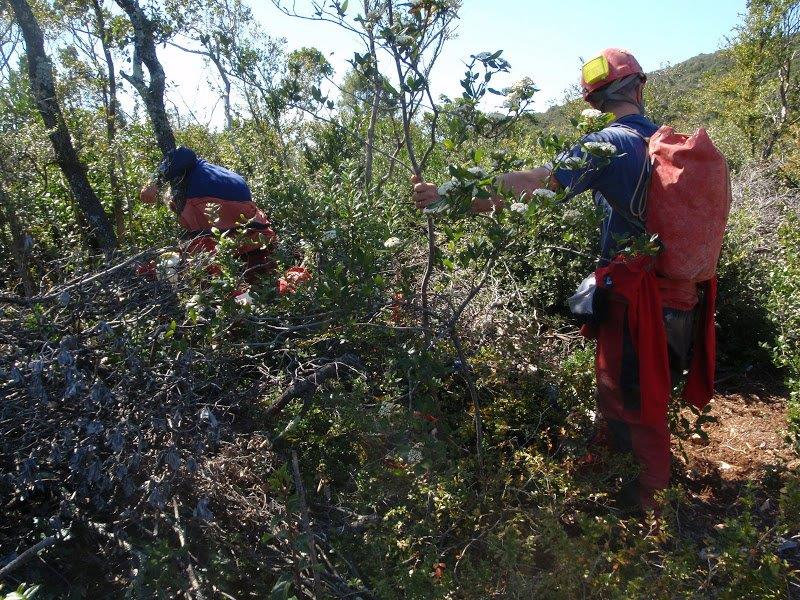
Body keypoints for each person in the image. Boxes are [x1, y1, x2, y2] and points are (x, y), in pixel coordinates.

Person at [412, 48, 709, 511]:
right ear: (640, 87)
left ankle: (647, 513)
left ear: (592, 101)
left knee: (634, 405)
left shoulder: (607, 144)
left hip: (638, 303)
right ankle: (623, 477)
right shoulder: (663, 144)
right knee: (650, 396)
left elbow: (538, 183)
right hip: (683, 299)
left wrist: (451, 195)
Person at [140, 146, 278, 283]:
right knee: (259, 279)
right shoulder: (206, 172)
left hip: (248, 234)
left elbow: (184, 153)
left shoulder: (194, 184)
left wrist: (154, 182)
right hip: (255, 231)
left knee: (205, 272)